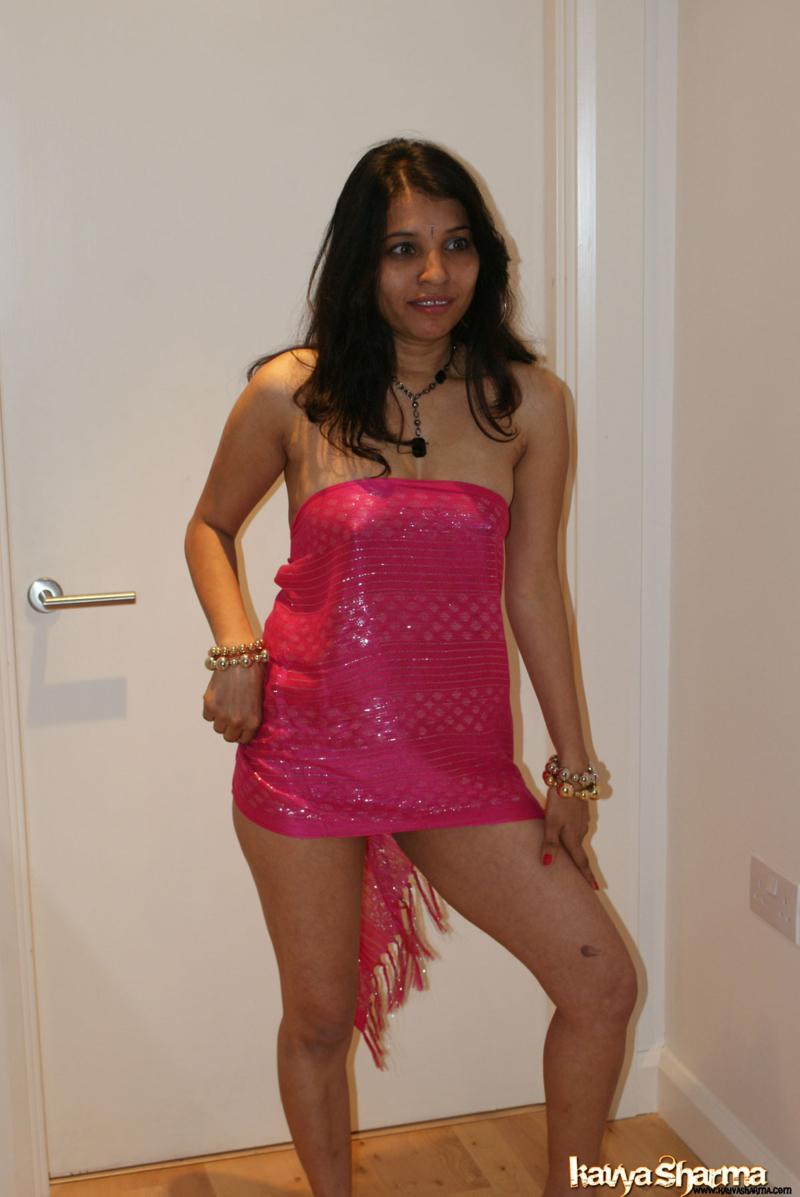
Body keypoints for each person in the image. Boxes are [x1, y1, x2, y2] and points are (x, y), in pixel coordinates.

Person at [184, 137, 638, 1197]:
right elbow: (209, 526)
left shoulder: (528, 403)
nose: (434, 273)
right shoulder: (291, 395)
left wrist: (572, 768)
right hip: (306, 751)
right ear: (361, 262)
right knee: (318, 1018)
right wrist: (237, 647)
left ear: (485, 259)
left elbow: (534, 588)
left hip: (456, 765)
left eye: (456, 245)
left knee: (600, 983)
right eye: (402, 249)